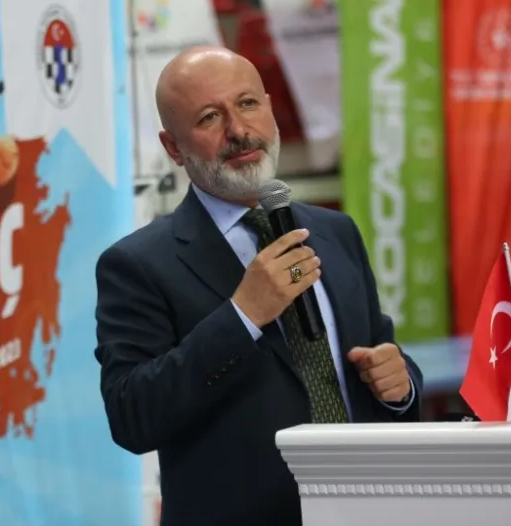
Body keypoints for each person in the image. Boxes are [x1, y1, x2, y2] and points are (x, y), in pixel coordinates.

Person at [94, 46, 423, 526]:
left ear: (269, 108)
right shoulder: (138, 264)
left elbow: (380, 354)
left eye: (247, 104)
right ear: (173, 148)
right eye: (210, 117)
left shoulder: (335, 232)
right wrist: (242, 315)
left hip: (364, 510)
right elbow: (132, 417)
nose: (238, 130)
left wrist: (401, 385)